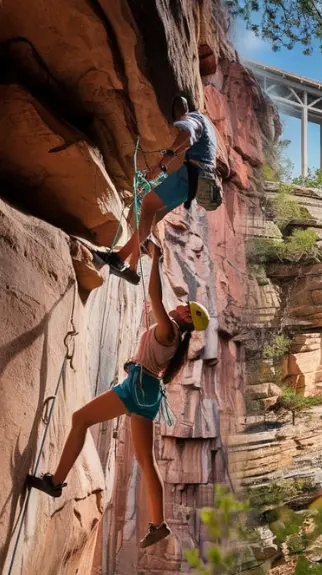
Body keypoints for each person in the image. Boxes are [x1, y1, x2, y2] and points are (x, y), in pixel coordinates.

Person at [26, 241, 211, 549]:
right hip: (145, 389)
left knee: (80, 418)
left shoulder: (170, 330)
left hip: (136, 391)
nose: (181, 307)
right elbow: (150, 355)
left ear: (189, 319)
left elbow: (154, 297)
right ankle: (157, 523)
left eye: (186, 309)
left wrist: (157, 259)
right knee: (145, 459)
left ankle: (55, 482)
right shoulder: (174, 336)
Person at [93, 93, 218, 285]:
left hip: (190, 175)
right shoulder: (208, 124)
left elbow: (187, 133)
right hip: (196, 181)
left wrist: (161, 164)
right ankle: (131, 267)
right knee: (148, 213)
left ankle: (119, 261)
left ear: (183, 111)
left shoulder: (193, 118)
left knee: (148, 205)